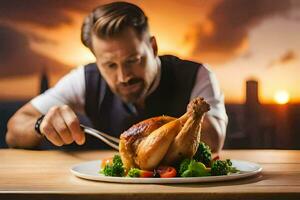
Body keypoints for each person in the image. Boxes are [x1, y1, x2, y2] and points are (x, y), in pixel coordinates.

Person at [6, 1, 227, 152]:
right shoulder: (85, 79)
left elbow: (213, 140)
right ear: (96, 60)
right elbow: (13, 131)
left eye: (133, 60)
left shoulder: (196, 74)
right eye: (110, 65)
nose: (123, 76)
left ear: (153, 47)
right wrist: (41, 125)